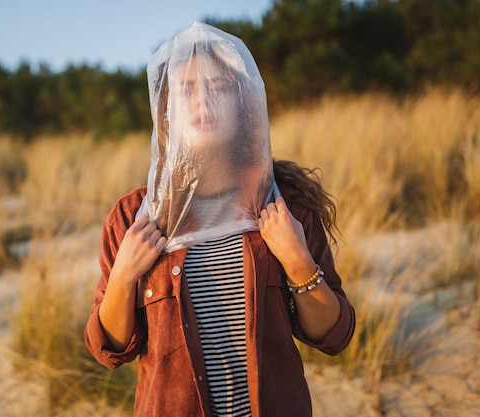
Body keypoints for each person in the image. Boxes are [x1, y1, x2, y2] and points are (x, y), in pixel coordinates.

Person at [85, 21, 355, 417]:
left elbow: (332, 334)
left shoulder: (283, 204)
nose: (203, 101)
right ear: (166, 110)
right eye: (187, 89)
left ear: (243, 101)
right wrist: (124, 277)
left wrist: (298, 262)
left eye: (219, 86)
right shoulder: (134, 218)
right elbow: (108, 347)